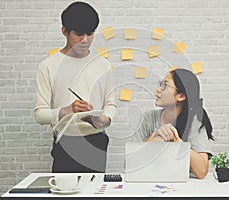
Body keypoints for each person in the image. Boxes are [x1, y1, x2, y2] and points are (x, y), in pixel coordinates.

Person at [34, 2, 116, 173]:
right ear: (64, 31)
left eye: (90, 33)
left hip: (97, 141)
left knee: (95, 193)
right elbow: (40, 115)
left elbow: (110, 104)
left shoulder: (103, 65)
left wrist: (105, 120)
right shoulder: (48, 66)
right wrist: (66, 111)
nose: (85, 40)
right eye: (79, 34)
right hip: (65, 142)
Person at [133, 68, 214, 179]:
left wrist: (177, 142)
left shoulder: (195, 122)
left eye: (165, 86)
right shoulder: (148, 118)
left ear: (181, 96)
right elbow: (131, 164)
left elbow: (201, 172)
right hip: (150, 181)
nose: (157, 90)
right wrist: (153, 138)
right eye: (160, 84)